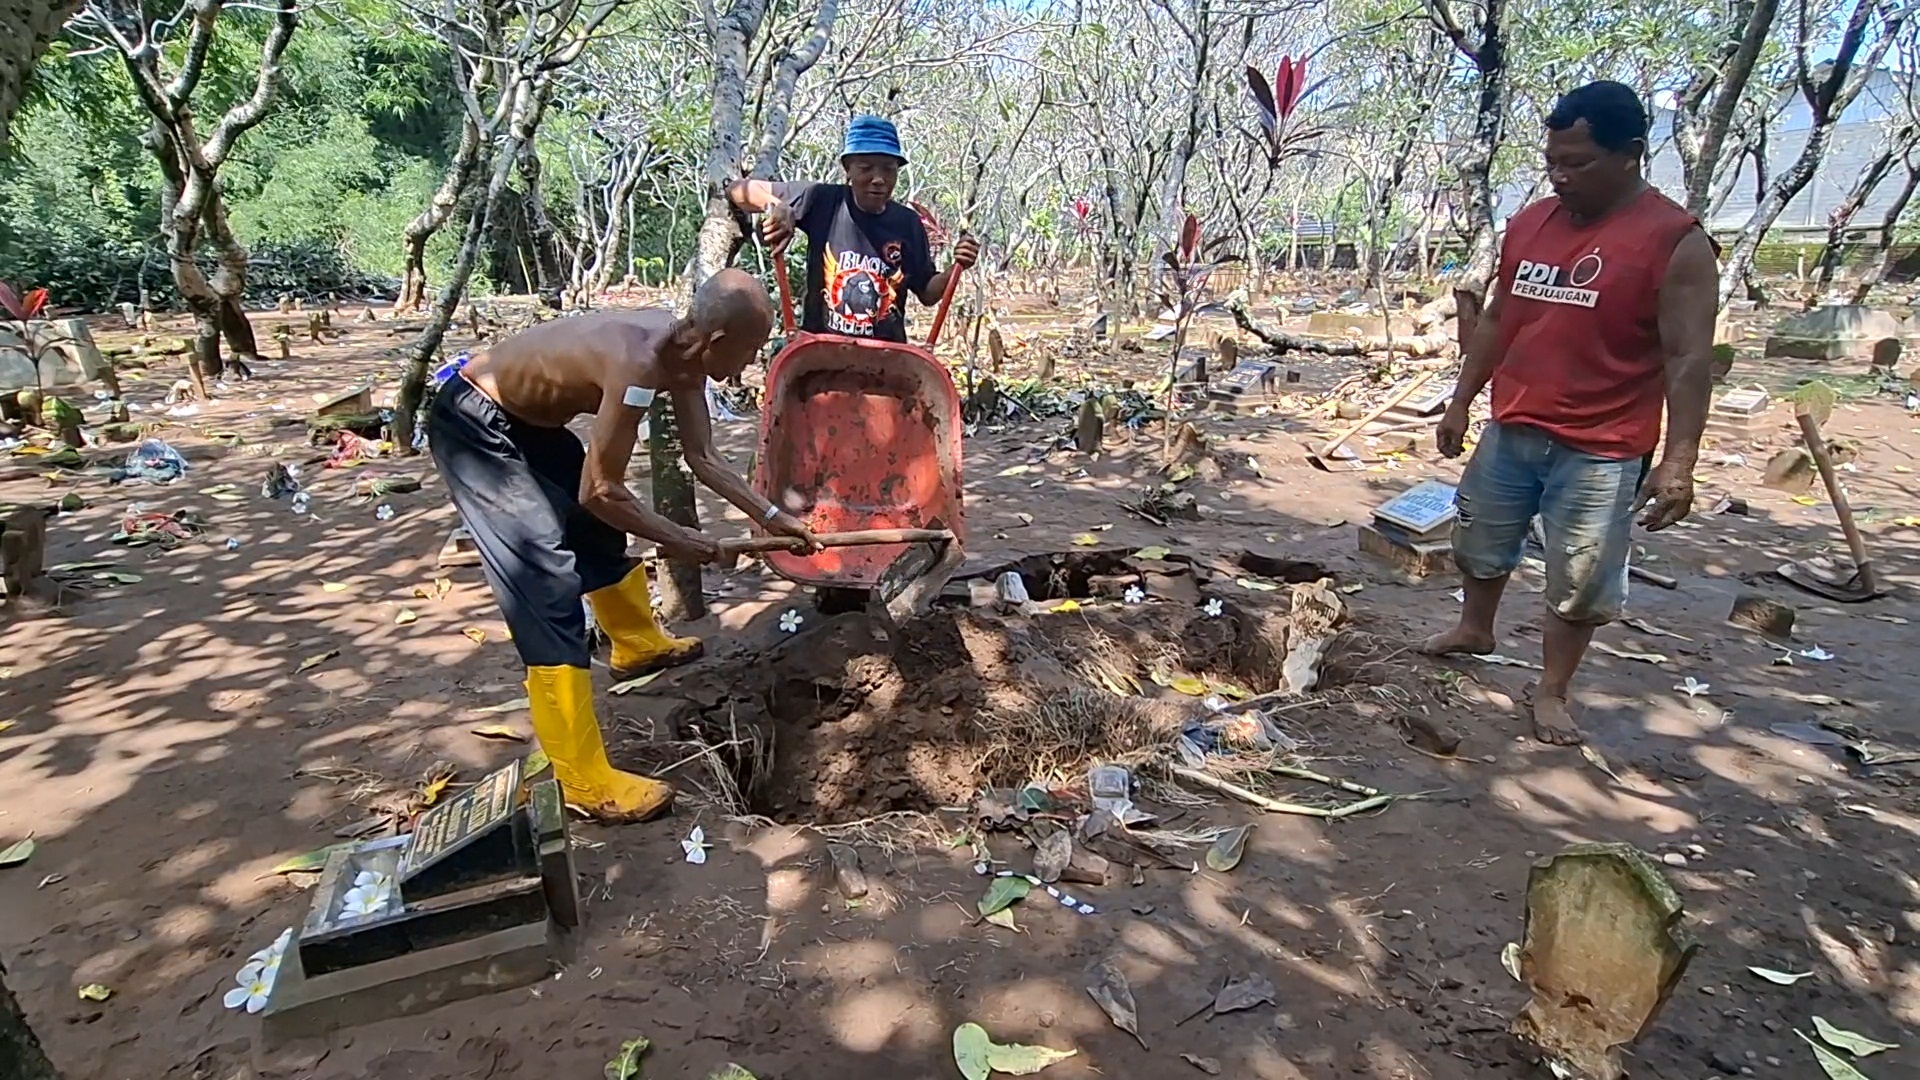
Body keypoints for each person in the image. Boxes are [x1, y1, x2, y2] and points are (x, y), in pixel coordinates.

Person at [427, 269, 818, 822]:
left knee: (596, 533)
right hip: (475, 425)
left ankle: (635, 644)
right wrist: (692, 544)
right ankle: (581, 780)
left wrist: (774, 518)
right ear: (717, 343)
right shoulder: (639, 364)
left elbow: (703, 456)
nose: (749, 367)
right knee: (546, 581)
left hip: (530, 426)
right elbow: (602, 489)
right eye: (750, 352)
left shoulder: (685, 356)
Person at [1423, 81, 1717, 746]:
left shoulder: (1676, 242)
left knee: (1581, 576)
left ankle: (1552, 690)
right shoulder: (1530, 224)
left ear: (1633, 154)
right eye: (1552, 161)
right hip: (1514, 424)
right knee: (1478, 539)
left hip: (1603, 445)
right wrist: (1464, 399)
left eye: (1578, 163)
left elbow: (1689, 358)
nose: (1560, 177)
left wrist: (1679, 459)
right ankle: (1476, 628)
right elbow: (1499, 319)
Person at [725, 115, 980, 342]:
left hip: (886, 358)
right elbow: (737, 190)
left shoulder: (907, 223)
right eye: (866, 168)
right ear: (847, 169)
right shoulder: (821, 200)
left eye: (888, 170)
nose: (878, 179)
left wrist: (957, 267)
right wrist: (777, 207)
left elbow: (928, 293)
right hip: (820, 350)